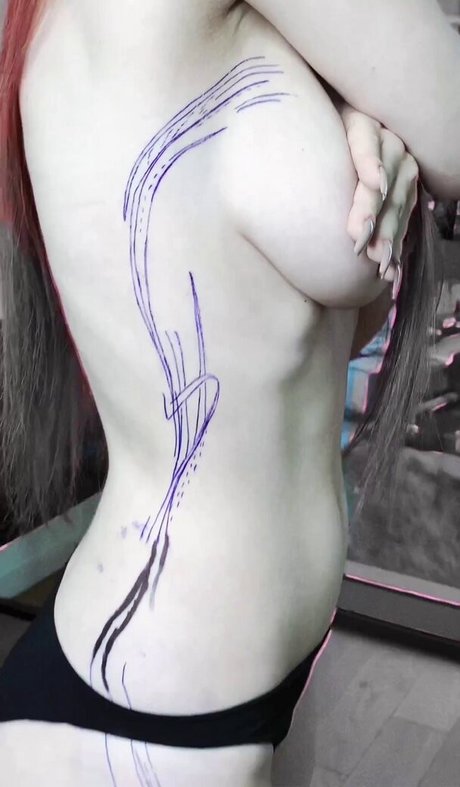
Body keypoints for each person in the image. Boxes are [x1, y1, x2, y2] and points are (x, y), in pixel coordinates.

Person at [0, 1, 459, 785]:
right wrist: (370, 113)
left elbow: (302, 346)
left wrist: (356, 118)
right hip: (147, 717)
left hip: (233, 685)